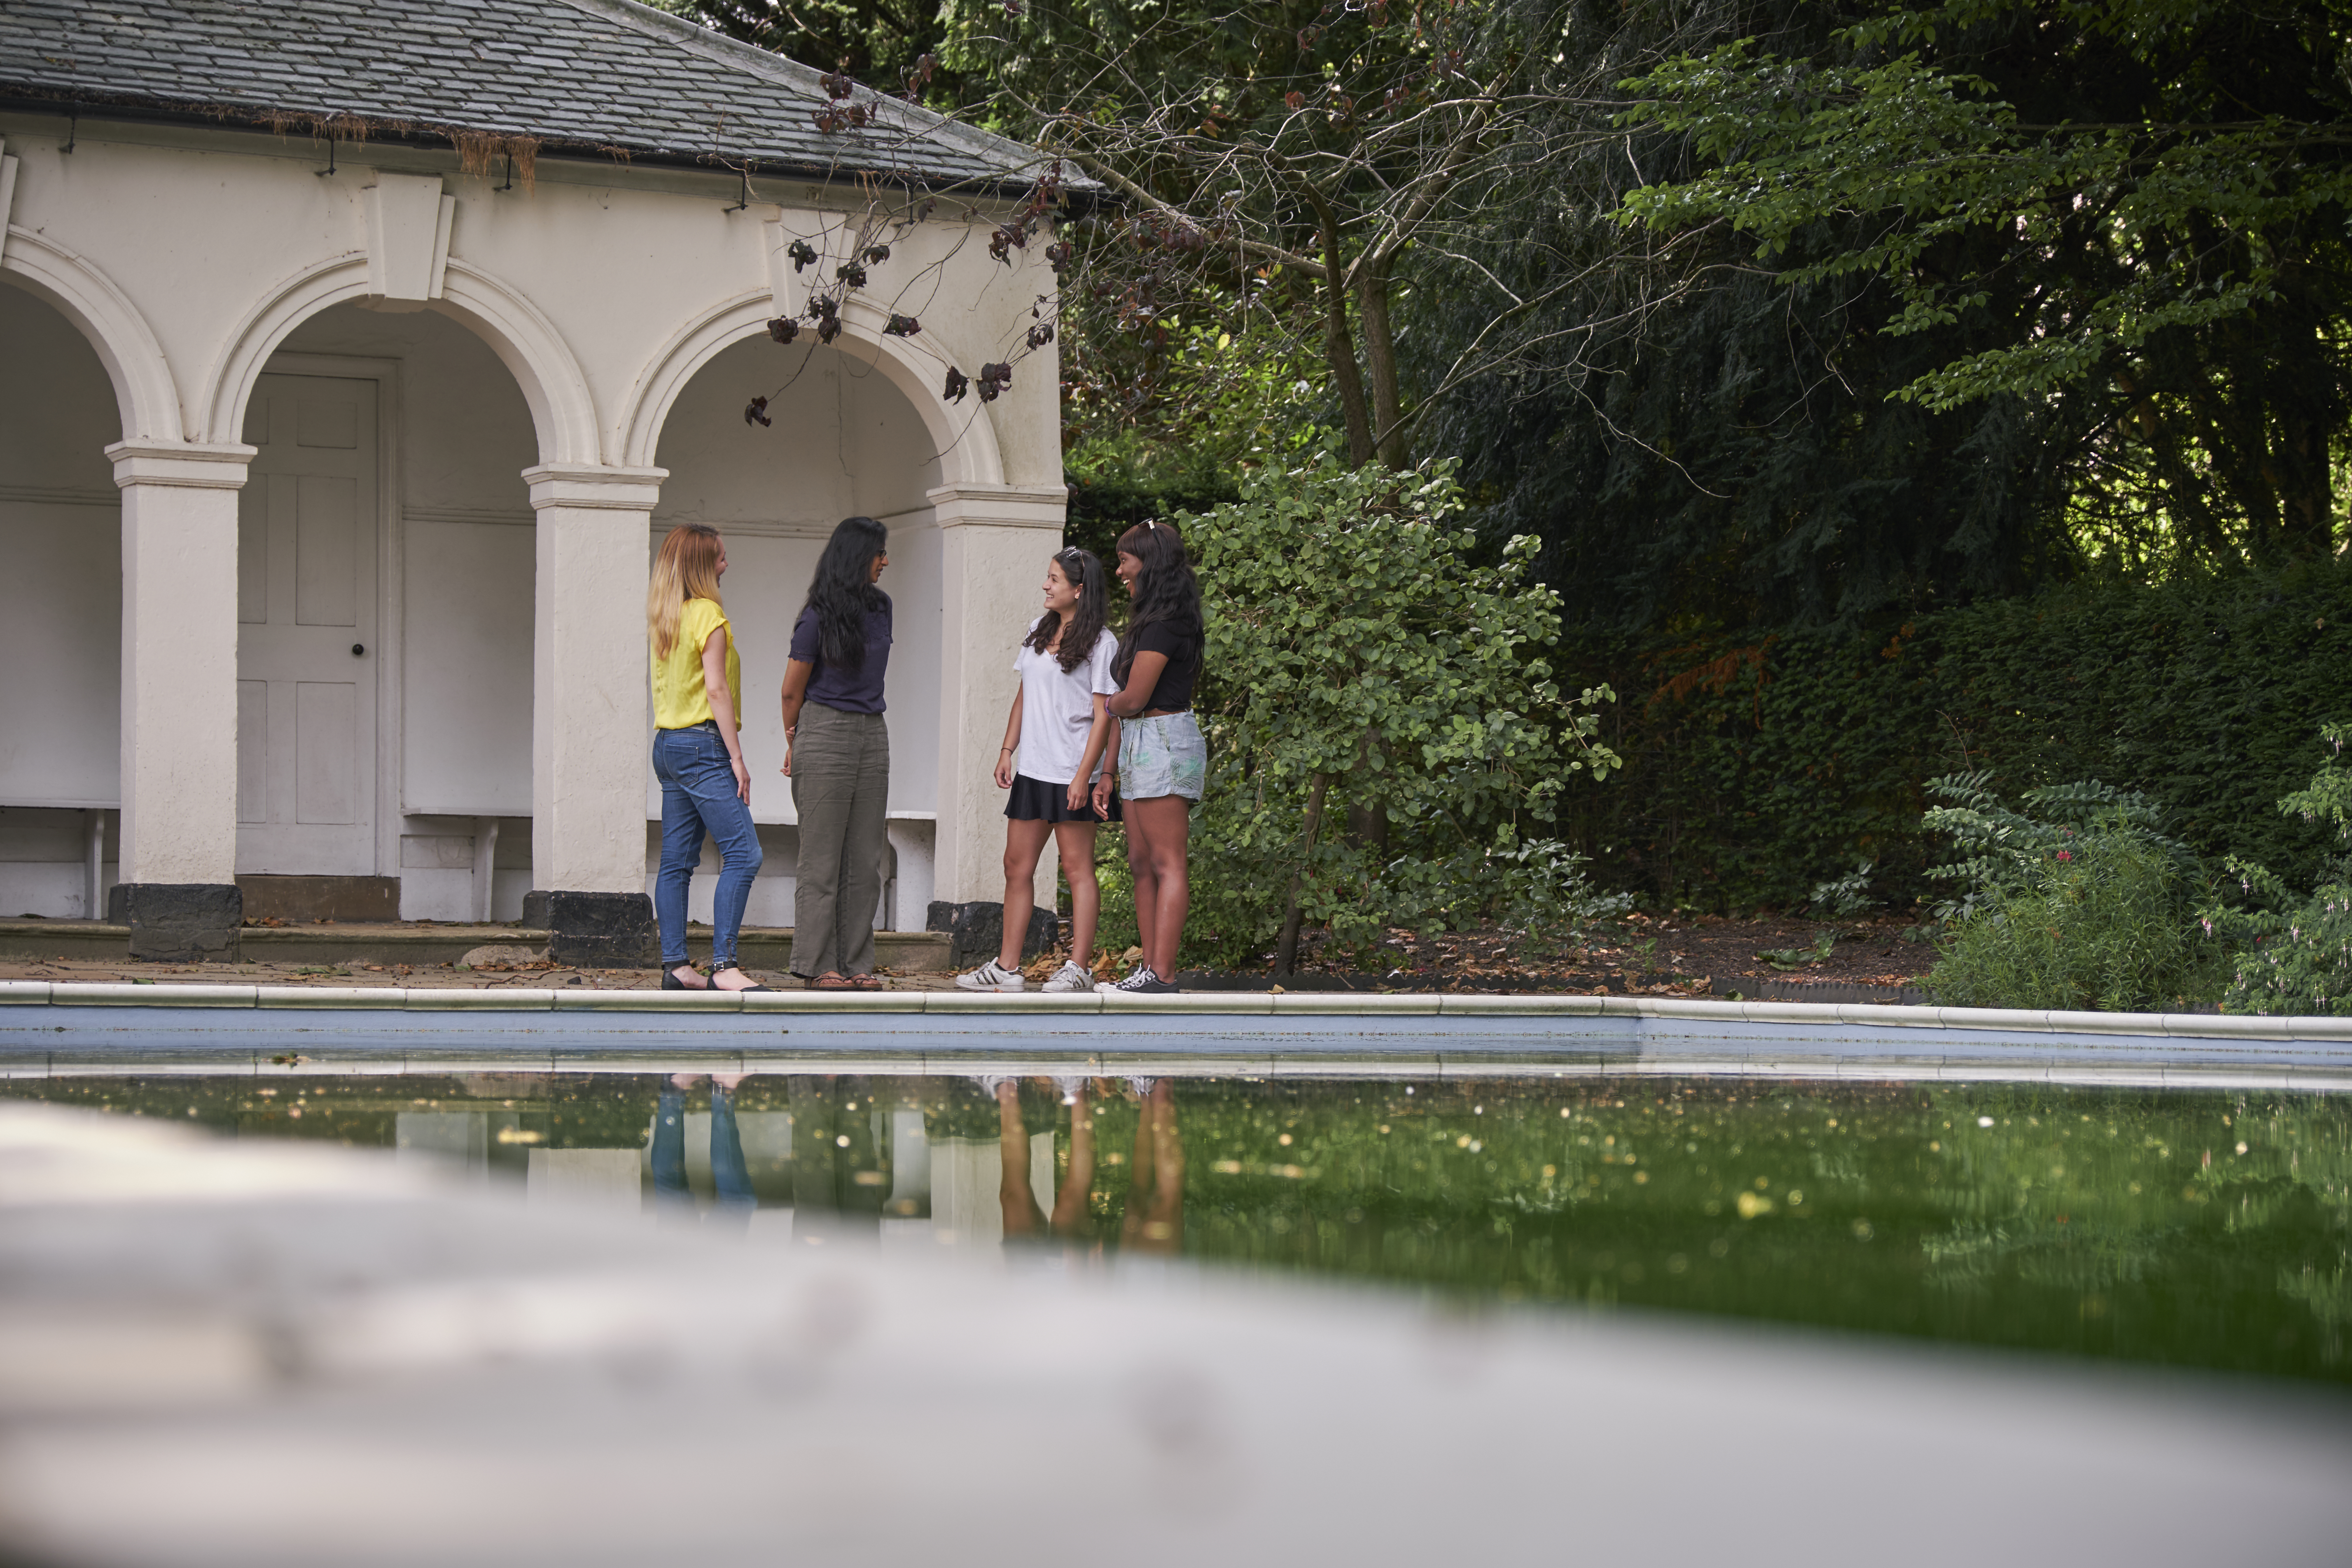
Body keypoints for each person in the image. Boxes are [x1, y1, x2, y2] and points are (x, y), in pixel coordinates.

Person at [956, 547, 1121, 994]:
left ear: (1078, 589)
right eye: (1047, 578)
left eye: (1053, 580)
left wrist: (1084, 776)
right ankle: (1007, 968)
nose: (1045, 586)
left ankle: (1079, 968)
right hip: (1032, 769)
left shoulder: (1102, 644)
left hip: (1072, 773)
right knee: (1016, 866)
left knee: (1076, 870)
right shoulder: (1037, 630)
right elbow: (1024, 693)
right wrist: (1007, 748)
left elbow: (1105, 715)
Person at [647, 523, 767, 993]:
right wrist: (736, 758)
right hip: (702, 746)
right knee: (744, 853)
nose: (725, 564)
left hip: (667, 746)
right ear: (702, 565)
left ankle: (676, 966)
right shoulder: (708, 616)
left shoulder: (665, 615)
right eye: (719, 557)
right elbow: (715, 689)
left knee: (676, 861)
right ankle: (725, 967)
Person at [780, 516, 893, 990]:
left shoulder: (882, 607)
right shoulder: (816, 616)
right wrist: (797, 740)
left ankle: (856, 963)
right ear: (857, 556)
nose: (885, 561)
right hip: (823, 729)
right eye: (878, 552)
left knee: (866, 860)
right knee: (821, 859)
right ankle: (816, 964)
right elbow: (791, 692)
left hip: (873, 732)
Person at [1098, 519, 1206, 995]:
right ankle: (1147, 970)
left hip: (1163, 738)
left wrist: (1107, 702)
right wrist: (1108, 768)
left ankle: (1162, 974)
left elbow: (1134, 697)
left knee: (1167, 862)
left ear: (1150, 562)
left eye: (1124, 560)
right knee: (1140, 863)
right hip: (1141, 740)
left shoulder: (1167, 623)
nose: (1119, 570)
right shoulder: (1149, 620)